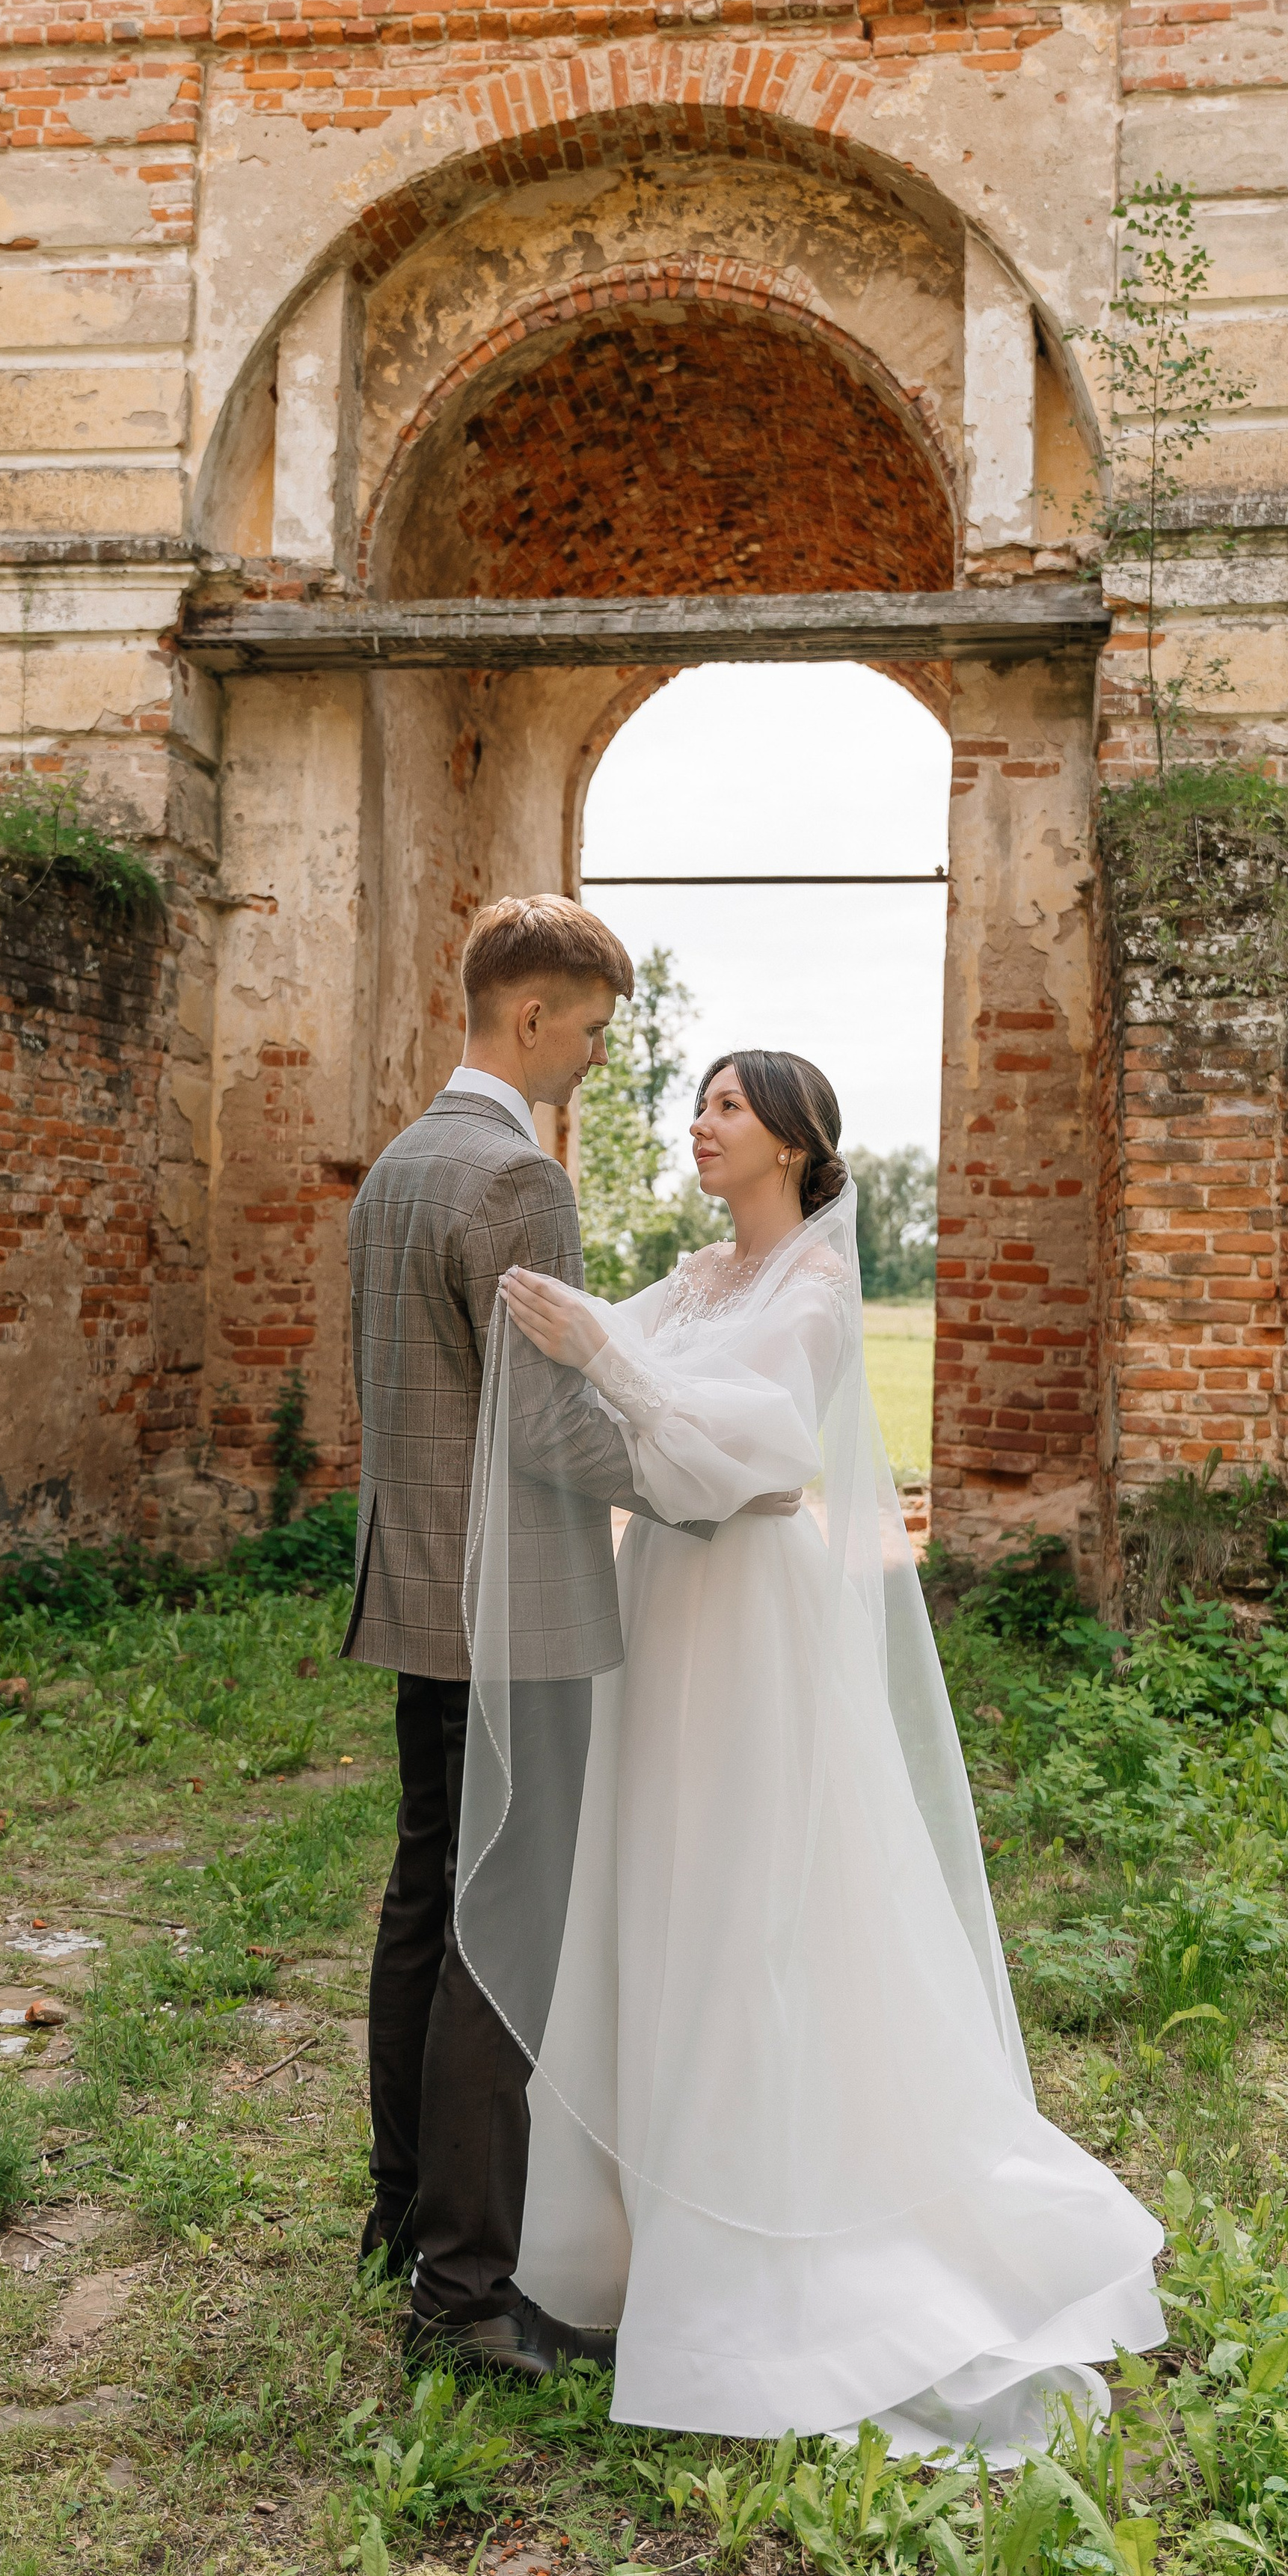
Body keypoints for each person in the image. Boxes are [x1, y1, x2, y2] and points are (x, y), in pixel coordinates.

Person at [465, 1048, 1166, 2456]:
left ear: (791, 1140)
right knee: (654, 1880)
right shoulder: (699, 1276)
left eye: (727, 1106)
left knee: (745, 1901)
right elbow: (633, 1379)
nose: (700, 1124)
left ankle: (765, 2248)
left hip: (756, 1619)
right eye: (702, 1102)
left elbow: (758, 1445)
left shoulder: (818, 1291)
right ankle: (629, 2236)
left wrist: (605, 1354)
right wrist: (578, 1331)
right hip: (665, 1601)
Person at [342, 896, 791, 2382]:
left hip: (409, 1600)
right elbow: (543, 1428)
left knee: (425, 1897)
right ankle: (463, 2291)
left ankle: (400, 2208)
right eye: (590, 1030)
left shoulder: (397, 1169)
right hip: (514, 1616)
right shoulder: (518, 1182)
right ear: (526, 1018)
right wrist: (692, 1475)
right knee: (502, 1936)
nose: (597, 1056)